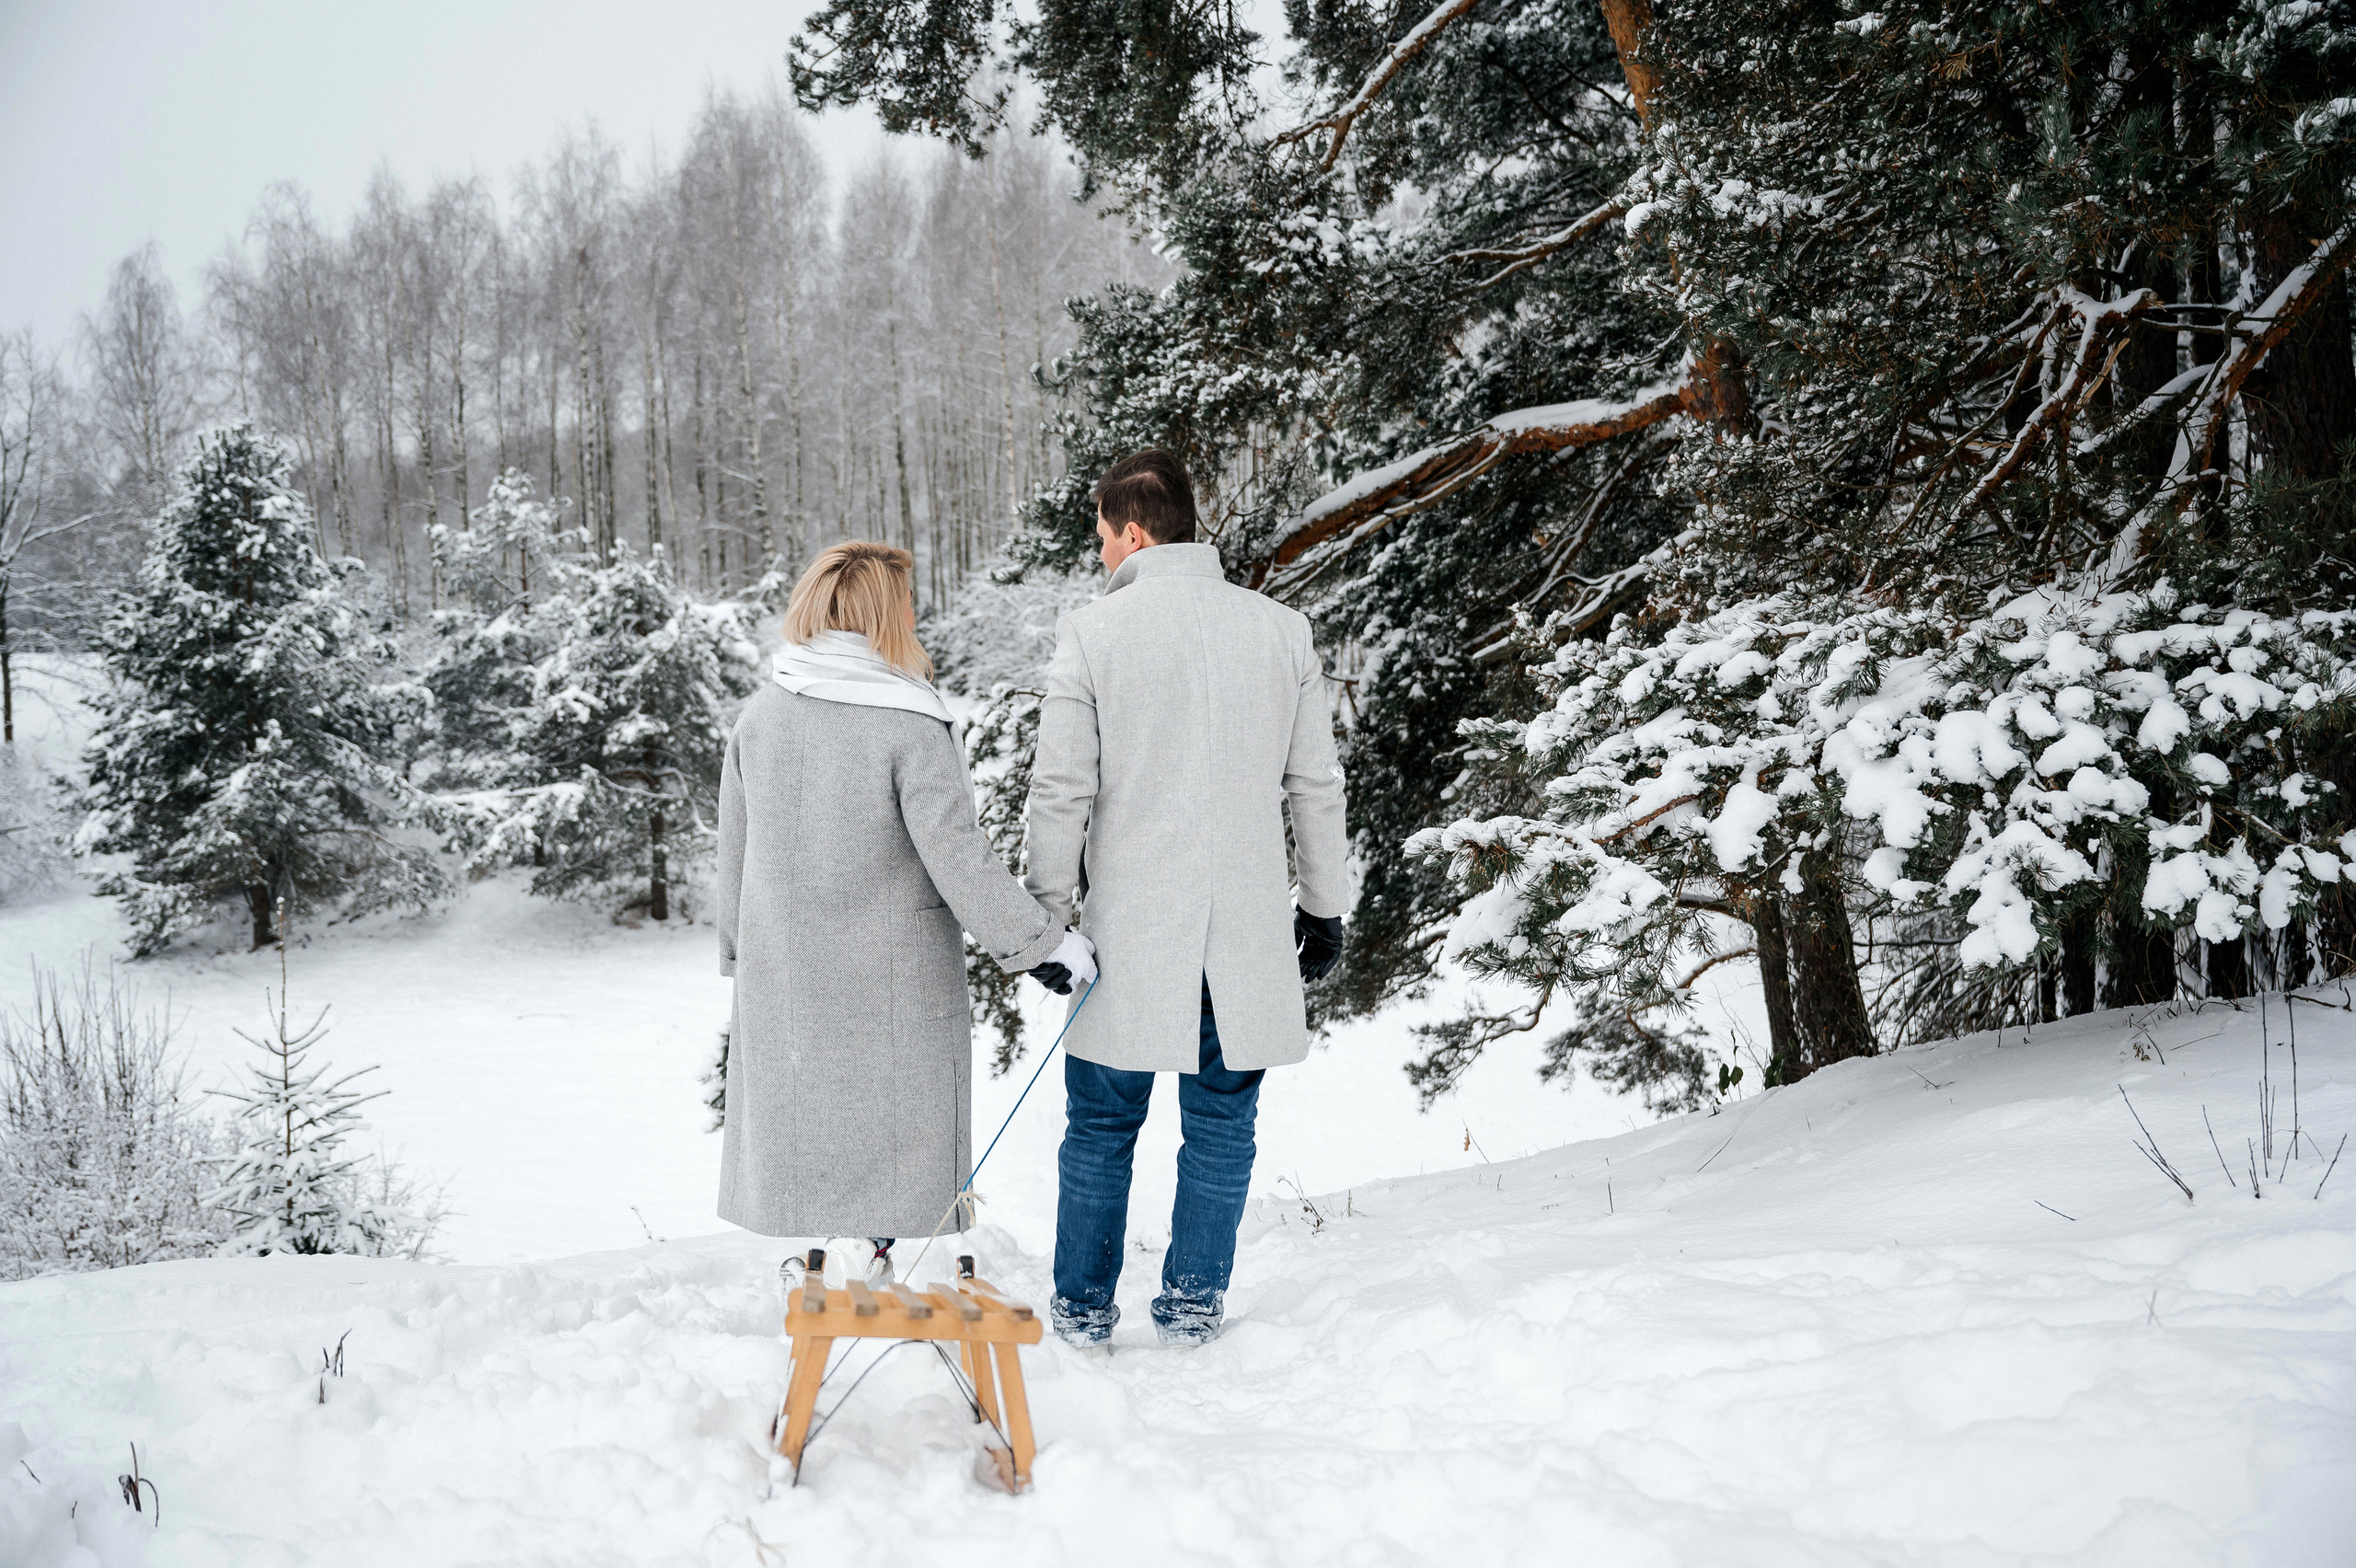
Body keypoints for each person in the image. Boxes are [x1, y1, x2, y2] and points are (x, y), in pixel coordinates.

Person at [1023, 450, 1350, 1346]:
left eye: (1101, 538)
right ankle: (1193, 1304)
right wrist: (1324, 907)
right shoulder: (1282, 630)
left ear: (1132, 530)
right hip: (1241, 933)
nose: (1101, 558)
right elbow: (1315, 785)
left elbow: (1060, 790)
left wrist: (1047, 919)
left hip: (1129, 937)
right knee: (1220, 1123)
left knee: (1099, 1127)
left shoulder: (1092, 633)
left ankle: (1084, 1312)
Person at [715, 540, 1096, 1287]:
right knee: (899, 1147)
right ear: (886, 616)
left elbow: (735, 849)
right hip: (893, 989)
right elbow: (958, 858)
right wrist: (1043, 943)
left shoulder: (760, 716)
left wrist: (742, 954)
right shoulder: (907, 724)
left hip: (787, 977)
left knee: (822, 1144)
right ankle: (876, 1281)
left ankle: (837, 1275)